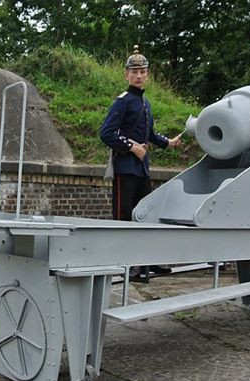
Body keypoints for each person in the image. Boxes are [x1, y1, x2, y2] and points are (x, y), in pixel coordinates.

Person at [100, 45, 182, 278]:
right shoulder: (123, 101)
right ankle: (124, 263)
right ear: (126, 75)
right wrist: (132, 146)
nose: (138, 75)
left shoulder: (145, 103)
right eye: (134, 72)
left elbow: (150, 134)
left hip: (141, 169)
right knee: (123, 218)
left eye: (142, 71)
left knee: (145, 215)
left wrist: (168, 142)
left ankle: (146, 261)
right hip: (125, 168)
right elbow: (106, 133)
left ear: (147, 74)